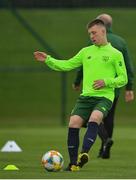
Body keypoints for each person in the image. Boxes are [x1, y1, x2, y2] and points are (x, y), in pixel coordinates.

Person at [34, 19, 128, 171]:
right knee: (73, 123)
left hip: (104, 97)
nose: (91, 36)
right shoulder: (86, 52)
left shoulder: (115, 54)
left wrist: (107, 81)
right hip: (86, 97)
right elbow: (67, 64)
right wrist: (48, 60)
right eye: (90, 34)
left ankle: (83, 154)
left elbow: (123, 78)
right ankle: (73, 164)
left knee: (95, 118)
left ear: (103, 32)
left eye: (94, 33)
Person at [72, 14, 134, 159]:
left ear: (102, 27)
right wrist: (129, 87)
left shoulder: (92, 43)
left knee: (92, 117)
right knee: (109, 117)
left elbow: (83, 65)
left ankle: (105, 140)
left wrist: (77, 81)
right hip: (115, 90)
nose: (92, 35)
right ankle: (105, 149)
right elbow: (128, 67)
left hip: (96, 88)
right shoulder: (121, 42)